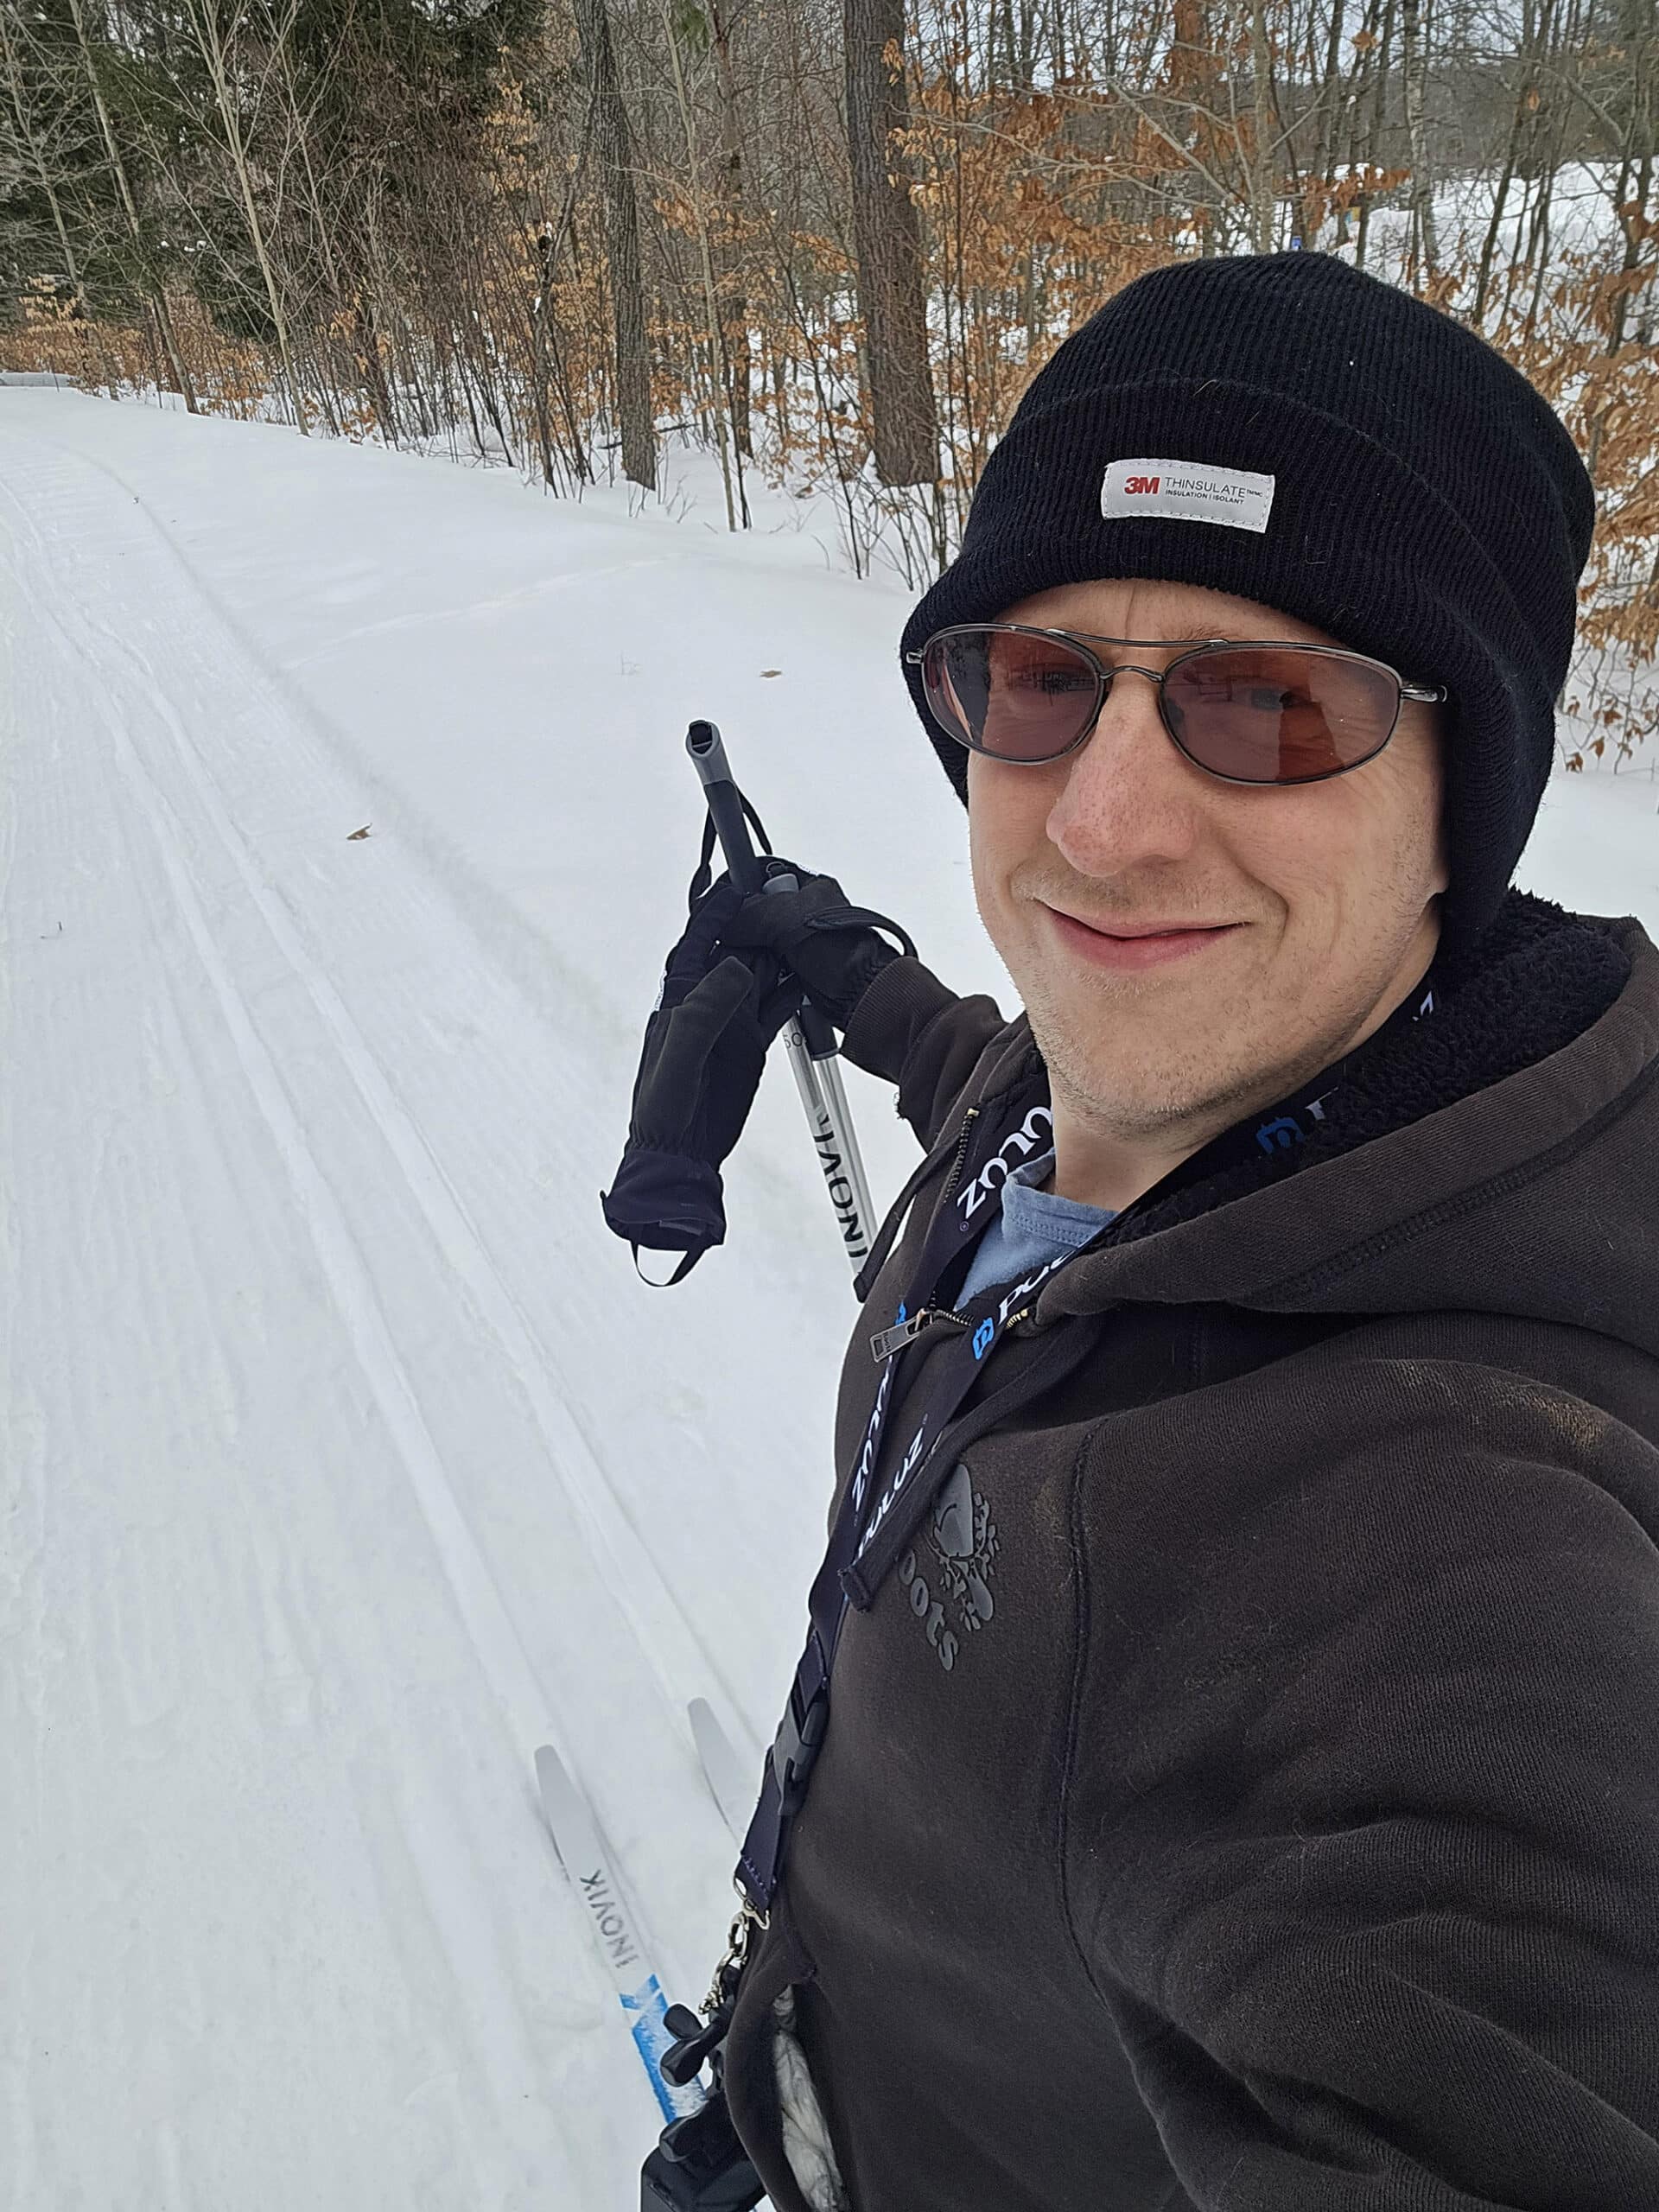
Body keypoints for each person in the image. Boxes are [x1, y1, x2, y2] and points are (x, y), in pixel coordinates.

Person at [626, 252, 1659, 2209]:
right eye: (1041, 681)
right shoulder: (1243, 1090)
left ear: (1469, 797)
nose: (1098, 825)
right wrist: (848, 974)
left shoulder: (1432, 1554)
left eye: (1263, 706)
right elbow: (1038, 1114)